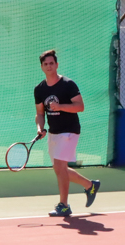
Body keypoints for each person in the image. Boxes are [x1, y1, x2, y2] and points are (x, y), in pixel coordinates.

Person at [34, 49, 100, 217]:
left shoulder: (68, 84)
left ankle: (64, 206)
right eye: (45, 64)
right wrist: (40, 128)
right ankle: (90, 185)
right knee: (60, 169)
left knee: (59, 167)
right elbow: (40, 113)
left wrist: (60, 107)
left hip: (70, 130)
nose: (49, 66)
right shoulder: (39, 89)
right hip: (54, 132)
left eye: (51, 63)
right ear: (41, 67)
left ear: (57, 65)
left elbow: (80, 106)